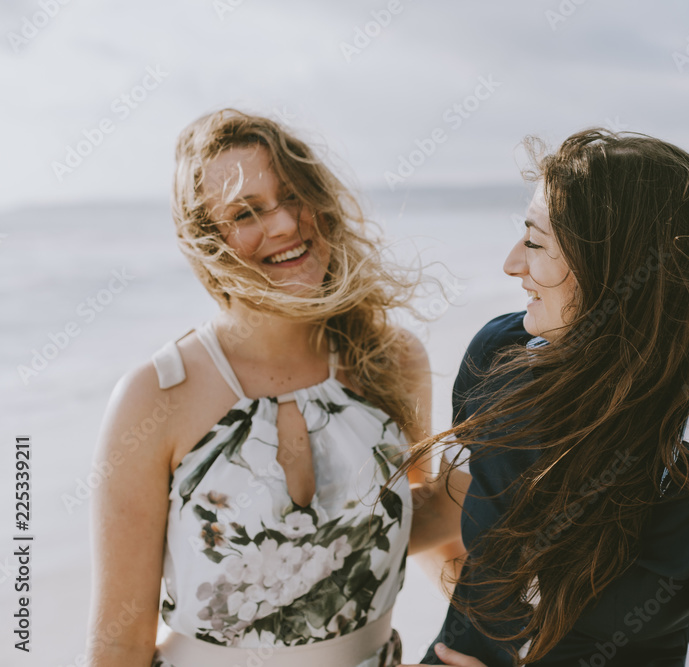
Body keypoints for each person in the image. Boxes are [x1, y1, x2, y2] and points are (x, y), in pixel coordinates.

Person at [401, 129, 689, 667]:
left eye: (536, 244)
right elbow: (455, 512)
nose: (511, 263)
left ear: (614, 269)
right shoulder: (500, 353)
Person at [86, 109, 464, 667]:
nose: (285, 223)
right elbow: (118, 643)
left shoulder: (390, 360)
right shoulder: (155, 397)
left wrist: (492, 643)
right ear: (206, 242)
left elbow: (405, 527)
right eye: (246, 212)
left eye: (293, 195)